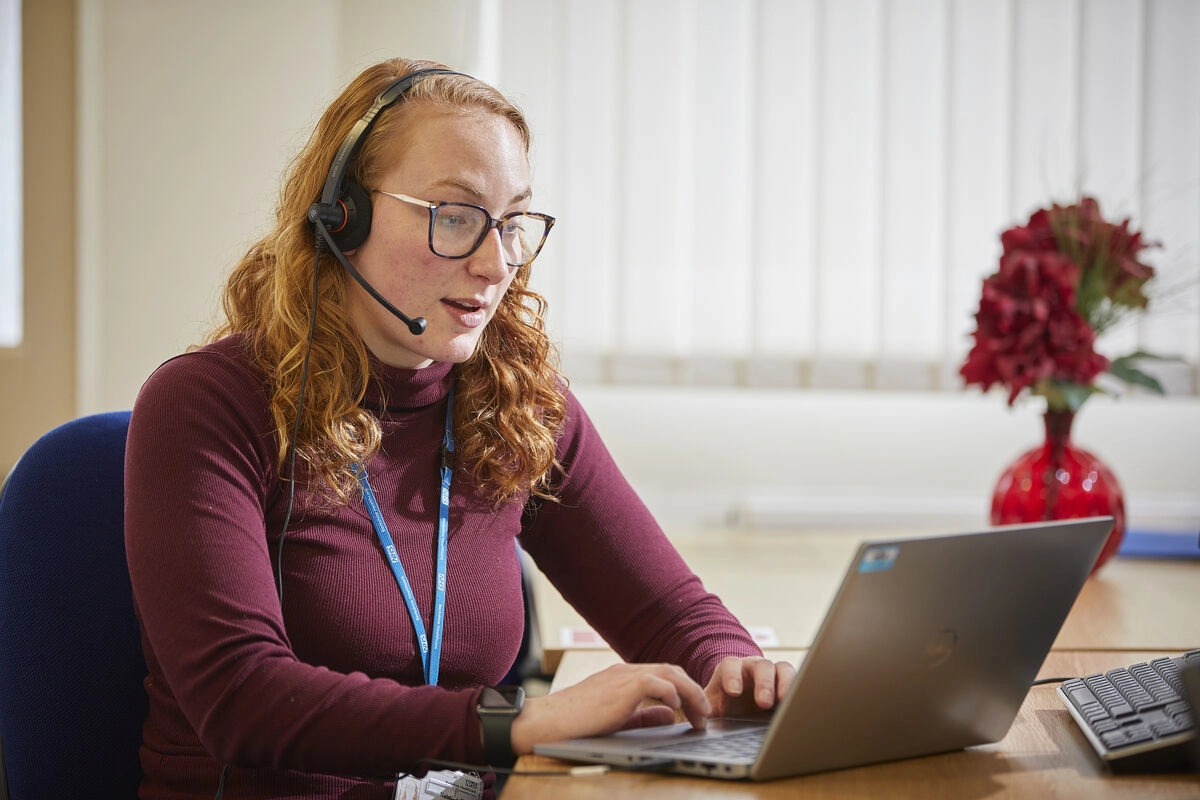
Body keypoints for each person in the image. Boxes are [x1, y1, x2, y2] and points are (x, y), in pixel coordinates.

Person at [124, 57, 795, 799]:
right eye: (456, 216)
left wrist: (739, 672)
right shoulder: (207, 406)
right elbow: (240, 698)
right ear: (343, 214)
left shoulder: (518, 405)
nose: (496, 260)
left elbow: (666, 611)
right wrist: (522, 722)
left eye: (513, 222)